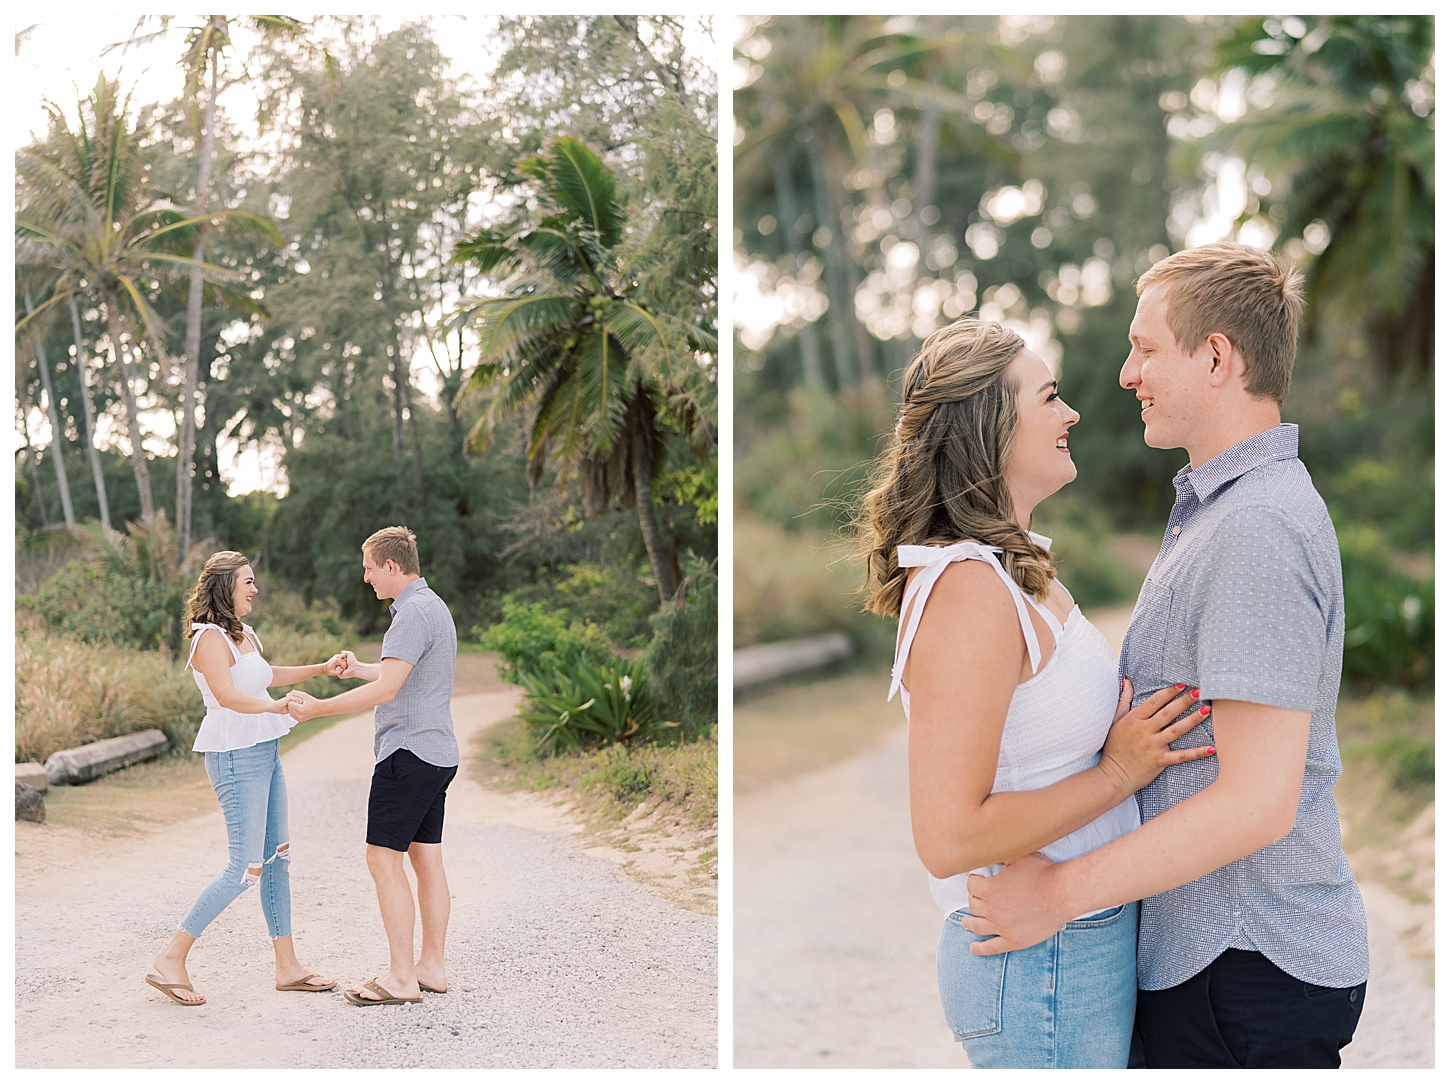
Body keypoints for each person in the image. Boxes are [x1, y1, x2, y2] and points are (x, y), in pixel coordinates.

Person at [961, 242, 1370, 1069]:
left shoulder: (1255, 525)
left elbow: (1258, 802)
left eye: (1145, 348)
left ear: (1217, 357)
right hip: (1218, 968)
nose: (1124, 374)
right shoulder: (1218, 512)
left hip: (1245, 970)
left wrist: (1056, 894)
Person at [858, 318, 1215, 1067]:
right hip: (1041, 963)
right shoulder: (967, 590)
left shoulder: (1016, 573)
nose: (1072, 413)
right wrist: (1116, 774)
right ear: (992, 429)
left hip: (1075, 944)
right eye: (1050, 398)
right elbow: (948, 836)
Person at [146, 551, 344, 1006]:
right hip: (234, 755)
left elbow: (266, 676)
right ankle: (171, 958)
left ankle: (288, 967)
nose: (255, 589)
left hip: (264, 749)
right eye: (248, 582)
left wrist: (320, 668)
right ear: (225, 586)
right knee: (243, 868)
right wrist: (276, 706)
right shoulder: (209, 638)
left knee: (277, 857)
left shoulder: (243, 632)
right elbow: (228, 695)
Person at [285, 526, 458, 1006]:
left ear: (391, 566)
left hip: (407, 753)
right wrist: (360, 667)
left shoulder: (408, 616)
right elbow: (400, 674)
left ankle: (401, 978)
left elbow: (387, 692)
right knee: (426, 860)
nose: (366, 579)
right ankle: (431, 967)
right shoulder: (433, 607)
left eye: (368, 569)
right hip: (437, 754)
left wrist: (318, 708)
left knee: (382, 858)